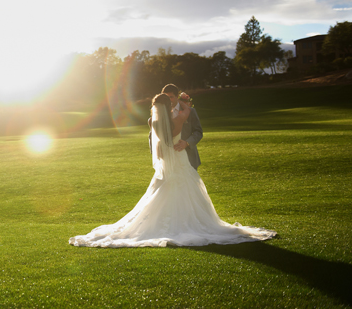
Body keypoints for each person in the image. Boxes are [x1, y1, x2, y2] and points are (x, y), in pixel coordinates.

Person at [69, 93, 276, 248]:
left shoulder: (153, 121)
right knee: (187, 191)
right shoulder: (178, 119)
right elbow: (186, 109)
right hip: (179, 158)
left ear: (153, 107)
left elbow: (158, 147)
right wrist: (184, 99)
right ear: (169, 105)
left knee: (161, 192)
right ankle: (188, 223)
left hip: (166, 162)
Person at [148, 84, 202, 170]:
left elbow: (198, 132)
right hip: (166, 160)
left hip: (188, 157)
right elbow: (152, 135)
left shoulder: (191, 111)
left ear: (177, 96)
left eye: (171, 97)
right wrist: (155, 151)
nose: (169, 100)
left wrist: (187, 143)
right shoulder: (158, 116)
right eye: (166, 97)